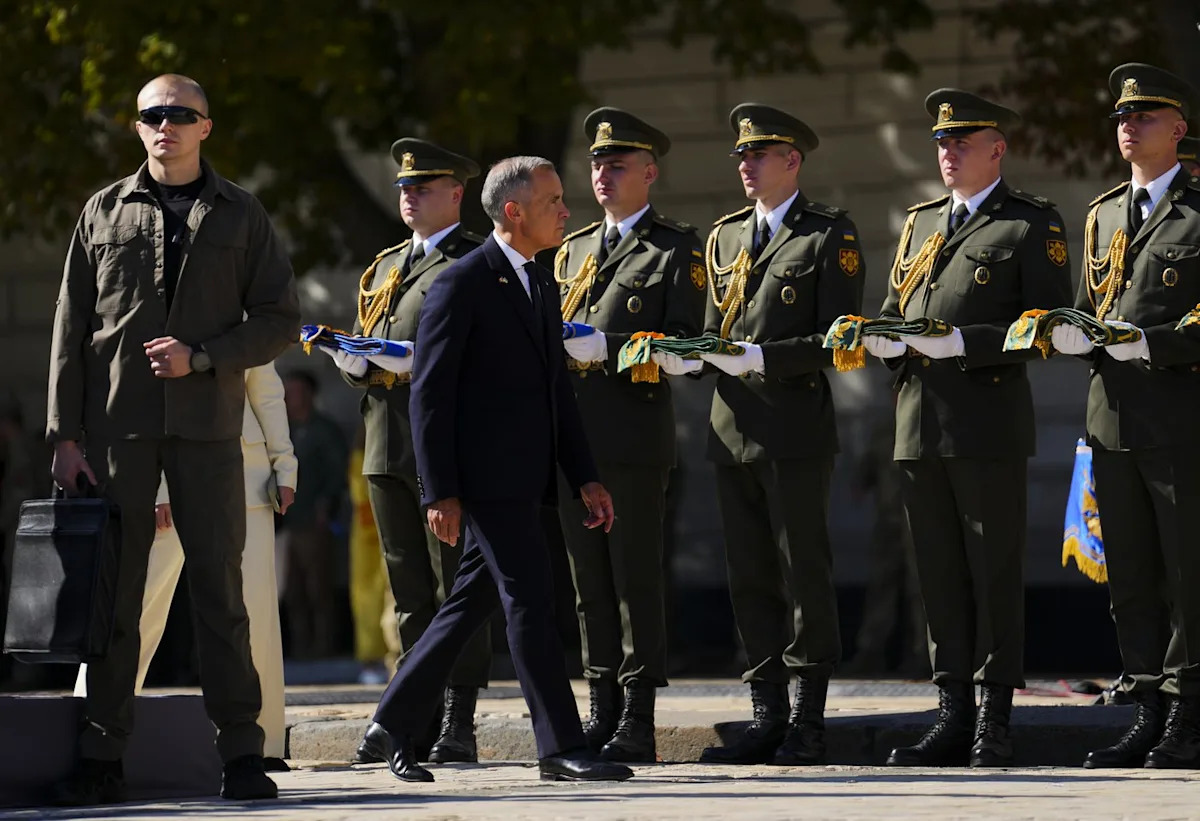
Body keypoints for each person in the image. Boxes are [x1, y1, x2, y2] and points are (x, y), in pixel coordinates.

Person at [45, 73, 299, 804]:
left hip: (209, 430)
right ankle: (101, 757)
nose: (167, 125)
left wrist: (205, 355)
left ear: (205, 128)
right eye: (154, 115)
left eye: (182, 114)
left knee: (220, 594)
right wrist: (64, 435)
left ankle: (243, 755)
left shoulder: (243, 215)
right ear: (138, 128)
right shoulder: (102, 211)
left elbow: (280, 318)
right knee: (115, 598)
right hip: (117, 434)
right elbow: (70, 329)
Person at [363, 156, 632, 784]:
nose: (567, 211)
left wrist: (584, 475)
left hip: (526, 478)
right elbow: (430, 398)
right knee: (531, 599)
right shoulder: (461, 283)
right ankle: (560, 747)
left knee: (467, 604)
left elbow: (554, 392)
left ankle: (392, 720)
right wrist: (441, 491)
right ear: (514, 211)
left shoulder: (540, 281)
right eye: (553, 201)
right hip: (484, 483)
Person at [864, 89, 1072, 768]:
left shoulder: (1028, 224)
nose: (947, 152)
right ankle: (951, 711)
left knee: (992, 571)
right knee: (939, 575)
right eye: (941, 143)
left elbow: (1049, 324)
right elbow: (901, 305)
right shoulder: (922, 223)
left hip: (986, 423)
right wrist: (886, 339)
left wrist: (965, 344)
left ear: (996, 149)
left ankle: (996, 719)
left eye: (961, 141)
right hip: (918, 423)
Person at [693, 104, 865, 767]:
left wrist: (766, 358)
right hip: (730, 426)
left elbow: (839, 335)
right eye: (741, 155)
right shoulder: (725, 238)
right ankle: (765, 712)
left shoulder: (827, 235)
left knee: (802, 572)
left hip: (793, 427)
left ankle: (808, 718)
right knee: (749, 576)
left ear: (791, 161)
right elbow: (715, 327)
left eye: (756, 155)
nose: (744, 164)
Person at [1051, 64, 1200, 769]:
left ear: (1178, 128)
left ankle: (1189, 713)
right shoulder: (1105, 213)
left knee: (1186, 570)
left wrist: (1154, 343)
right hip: (1110, 417)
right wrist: (1064, 331)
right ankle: (1146, 707)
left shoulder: (1198, 210)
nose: (1128, 125)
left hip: (1179, 417)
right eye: (1122, 116)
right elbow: (1091, 301)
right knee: (1133, 575)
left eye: (1144, 116)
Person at [328, 139, 491, 763]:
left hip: (444, 449)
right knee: (408, 594)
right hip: (384, 446)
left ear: (457, 194)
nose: (408, 196)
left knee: (455, 588)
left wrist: (417, 364)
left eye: (422, 187)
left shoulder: (476, 260)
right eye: (403, 187)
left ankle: (460, 720)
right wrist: (353, 359)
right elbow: (369, 349)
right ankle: (415, 714)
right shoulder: (388, 265)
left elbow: (486, 356)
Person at [552, 108, 705, 762]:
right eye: (596, 164)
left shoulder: (675, 247)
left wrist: (603, 343)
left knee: (634, 578)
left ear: (650, 172)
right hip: (573, 442)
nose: (603, 174)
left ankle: (638, 712)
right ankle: (602, 705)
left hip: (634, 441)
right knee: (588, 586)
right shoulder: (573, 249)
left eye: (617, 165)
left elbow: (687, 345)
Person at [74, 362, 297, 770]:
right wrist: (158, 486)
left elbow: (265, 387)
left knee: (255, 613)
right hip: (159, 478)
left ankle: (260, 743)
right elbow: (131, 391)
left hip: (243, 475)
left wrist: (285, 465)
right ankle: (88, 725)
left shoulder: (240, 298)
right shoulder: (144, 299)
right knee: (135, 606)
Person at [279, 370, 347, 659]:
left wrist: (326, 507)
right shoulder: (282, 431)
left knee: (318, 586)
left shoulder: (324, 430)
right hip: (285, 522)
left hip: (314, 522)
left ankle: (323, 648)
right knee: (291, 589)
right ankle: (298, 647)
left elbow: (337, 473)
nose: (289, 398)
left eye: (295, 392)